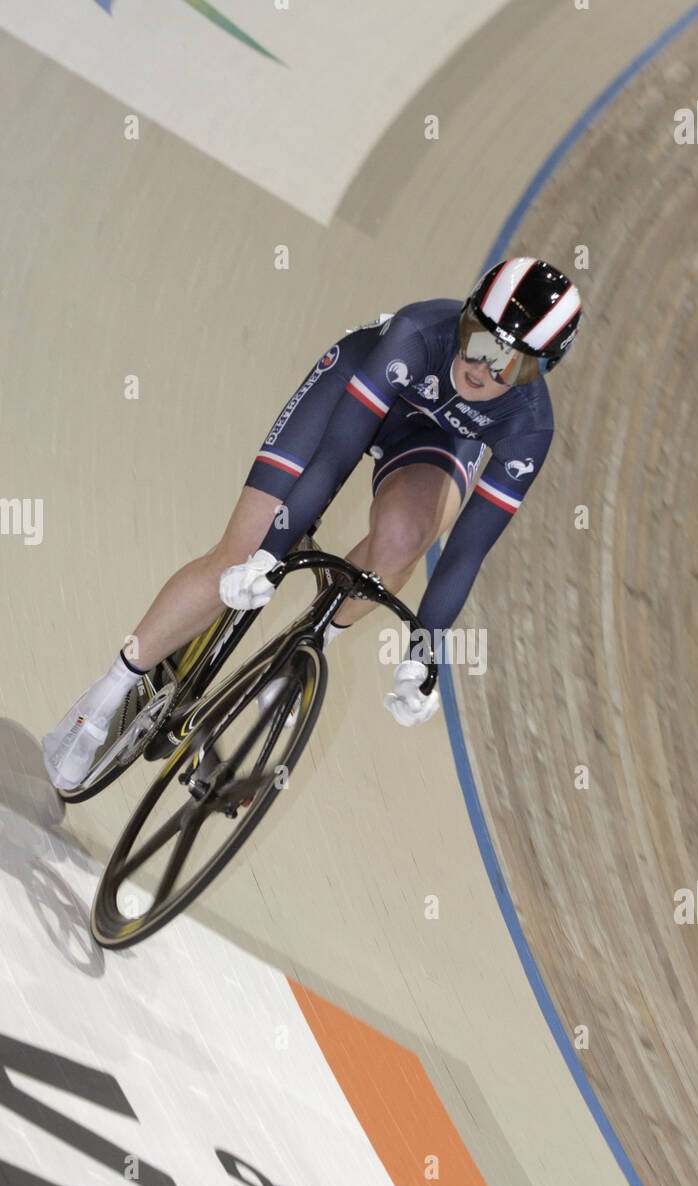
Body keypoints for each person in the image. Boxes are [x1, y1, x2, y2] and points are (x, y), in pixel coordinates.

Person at [42, 257, 582, 791]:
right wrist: (268, 553)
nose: (483, 367)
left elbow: (466, 551)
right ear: (464, 318)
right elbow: (334, 455)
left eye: (509, 365)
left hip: (437, 442)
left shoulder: (529, 427)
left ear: (536, 375)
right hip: (354, 389)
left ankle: (309, 645)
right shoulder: (418, 333)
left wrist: (424, 656)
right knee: (242, 549)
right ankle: (104, 697)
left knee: (404, 541)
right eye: (479, 339)